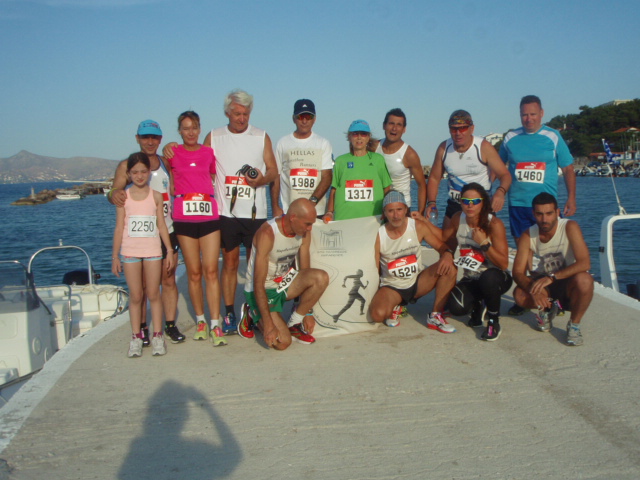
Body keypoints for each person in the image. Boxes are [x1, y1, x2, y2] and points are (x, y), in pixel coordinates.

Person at [163, 90, 278, 333]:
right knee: (230, 263)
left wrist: (261, 180)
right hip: (226, 213)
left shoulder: (261, 136)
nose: (241, 118)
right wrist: (170, 147)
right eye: (236, 113)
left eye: (245, 114)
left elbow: (273, 170)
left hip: (255, 213)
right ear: (227, 113)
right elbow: (192, 158)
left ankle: (255, 311)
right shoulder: (214, 136)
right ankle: (229, 313)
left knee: (257, 265)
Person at [107, 120, 185, 345]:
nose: (150, 142)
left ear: (160, 139)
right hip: (141, 235)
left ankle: (169, 325)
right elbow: (115, 191)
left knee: (168, 280)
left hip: (166, 229)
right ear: (137, 138)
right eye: (145, 137)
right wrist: (112, 194)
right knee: (140, 286)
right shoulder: (128, 165)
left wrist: (173, 145)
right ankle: (142, 328)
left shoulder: (165, 162)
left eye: (154, 137)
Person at [499, 95, 576, 315]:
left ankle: (556, 295)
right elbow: (497, 167)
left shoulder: (553, 136)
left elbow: (568, 169)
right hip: (518, 205)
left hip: (545, 208)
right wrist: (490, 192)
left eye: (533, 114)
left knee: (551, 253)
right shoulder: (510, 137)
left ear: (541, 113)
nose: (529, 119)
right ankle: (527, 294)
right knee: (524, 255)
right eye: (524, 114)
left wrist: (571, 198)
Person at [167, 111, 225, 346]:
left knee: (211, 271)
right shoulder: (172, 153)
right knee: (193, 273)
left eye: (194, 127)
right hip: (184, 219)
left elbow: (213, 176)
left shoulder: (208, 152)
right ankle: (201, 321)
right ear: (179, 131)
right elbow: (168, 179)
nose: (190, 132)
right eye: (185, 128)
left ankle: (216, 323)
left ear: (200, 129)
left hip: (209, 217)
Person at [239, 199, 329, 350]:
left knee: (321, 277)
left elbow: (305, 271)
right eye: (307, 224)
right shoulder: (267, 233)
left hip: (283, 282)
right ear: (293, 217)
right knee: (282, 343)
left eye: (312, 224)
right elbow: (258, 283)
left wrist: (307, 313)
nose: (310, 228)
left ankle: (294, 323)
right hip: (263, 288)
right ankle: (251, 312)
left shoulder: (304, 232)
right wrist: (268, 325)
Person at [111, 152, 174, 357]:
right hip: (130, 252)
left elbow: (162, 225)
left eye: (143, 172)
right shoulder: (124, 197)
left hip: (153, 251)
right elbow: (119, 228)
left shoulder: (156, 196)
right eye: (135, 172)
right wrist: (115, 256)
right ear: (129, 174)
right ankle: (136, 337)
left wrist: (169, 250)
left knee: (154, 294)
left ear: (149, 172)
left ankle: (158, 336)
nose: (139, 176)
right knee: (136, 296)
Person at [368, 190, 458, 333]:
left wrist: (447, 254)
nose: (396, 215)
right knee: (377, 315)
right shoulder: (379, 235)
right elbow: (375, 268)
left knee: (450, 266)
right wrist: (379, 295)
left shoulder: (417, 226)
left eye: (399, 209)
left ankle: (435, 314)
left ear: (406, 210)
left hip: (417, 282)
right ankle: (396, 305)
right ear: (384, 213)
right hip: (393, 286)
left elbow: (441, 246)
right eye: (390, 211)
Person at [511, 192, 593, 346]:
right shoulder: (528, 235)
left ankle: (574, 325)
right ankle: (548, 310)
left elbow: (585, 263)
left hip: (567, 280)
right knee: (520, 295)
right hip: (545, 282)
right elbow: (517, 272)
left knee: (585, 280)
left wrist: (553, 277)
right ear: (533, 214)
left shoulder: (569, 227)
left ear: (557, 212)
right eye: (539, 214)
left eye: (549, 213)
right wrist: (532, 290)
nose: (544, 219)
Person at [443, 183, 512, 341]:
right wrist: (423, 223)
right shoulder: (457, 218)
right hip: (472, 277)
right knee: (456, 307)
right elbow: (445, 239)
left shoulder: (494, 224)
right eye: (466, 201)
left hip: (496, 278)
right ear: (460, 202)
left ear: (483, 202)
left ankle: (493, 321)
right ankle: (478, 304)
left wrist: (484, 243)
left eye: (475, 201)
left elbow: (503, 264)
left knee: (489, 278)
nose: (470, 205)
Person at [426, 110, 511, 231]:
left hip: (480, 205)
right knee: (445, 241)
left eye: (463, 128)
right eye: (454, 129)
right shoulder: (444, 148)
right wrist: (431, 203)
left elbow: (505, 175)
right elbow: (434, 178)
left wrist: (500, 192)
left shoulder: (483, 147)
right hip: (455, 205)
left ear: (472, 128)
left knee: (484, 241)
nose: (458, 133)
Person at [272, 99, 333, 217]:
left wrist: (311, 203)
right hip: (290, 212)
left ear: (314, 119)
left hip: (316, 211)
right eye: (300, 117)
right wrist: (275, 206)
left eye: (308, 117)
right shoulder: (282, 143)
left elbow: (327, 177)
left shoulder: (323, 143)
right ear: (293, 118)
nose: (304, 121)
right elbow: (276, 177)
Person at [324, 119, 392, 222]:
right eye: (355, 134)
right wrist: (329, 212)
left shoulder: (378, 160)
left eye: (363, 134)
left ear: (368, 137)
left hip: (373, 220)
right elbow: (334, 190)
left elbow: (386, 188)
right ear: (349, 137)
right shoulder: (340, 161)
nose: (359, 137)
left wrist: (387, 210)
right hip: (344, 219)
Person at [368, 108, 427, 214]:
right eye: (391, 123)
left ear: (404, 129)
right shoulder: (374, 147)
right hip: (377, 206)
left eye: (399, 125)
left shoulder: (409, 154)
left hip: (401, 209)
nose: (394, 128)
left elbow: (422, 185)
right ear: (384, 126)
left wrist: (421, 213)